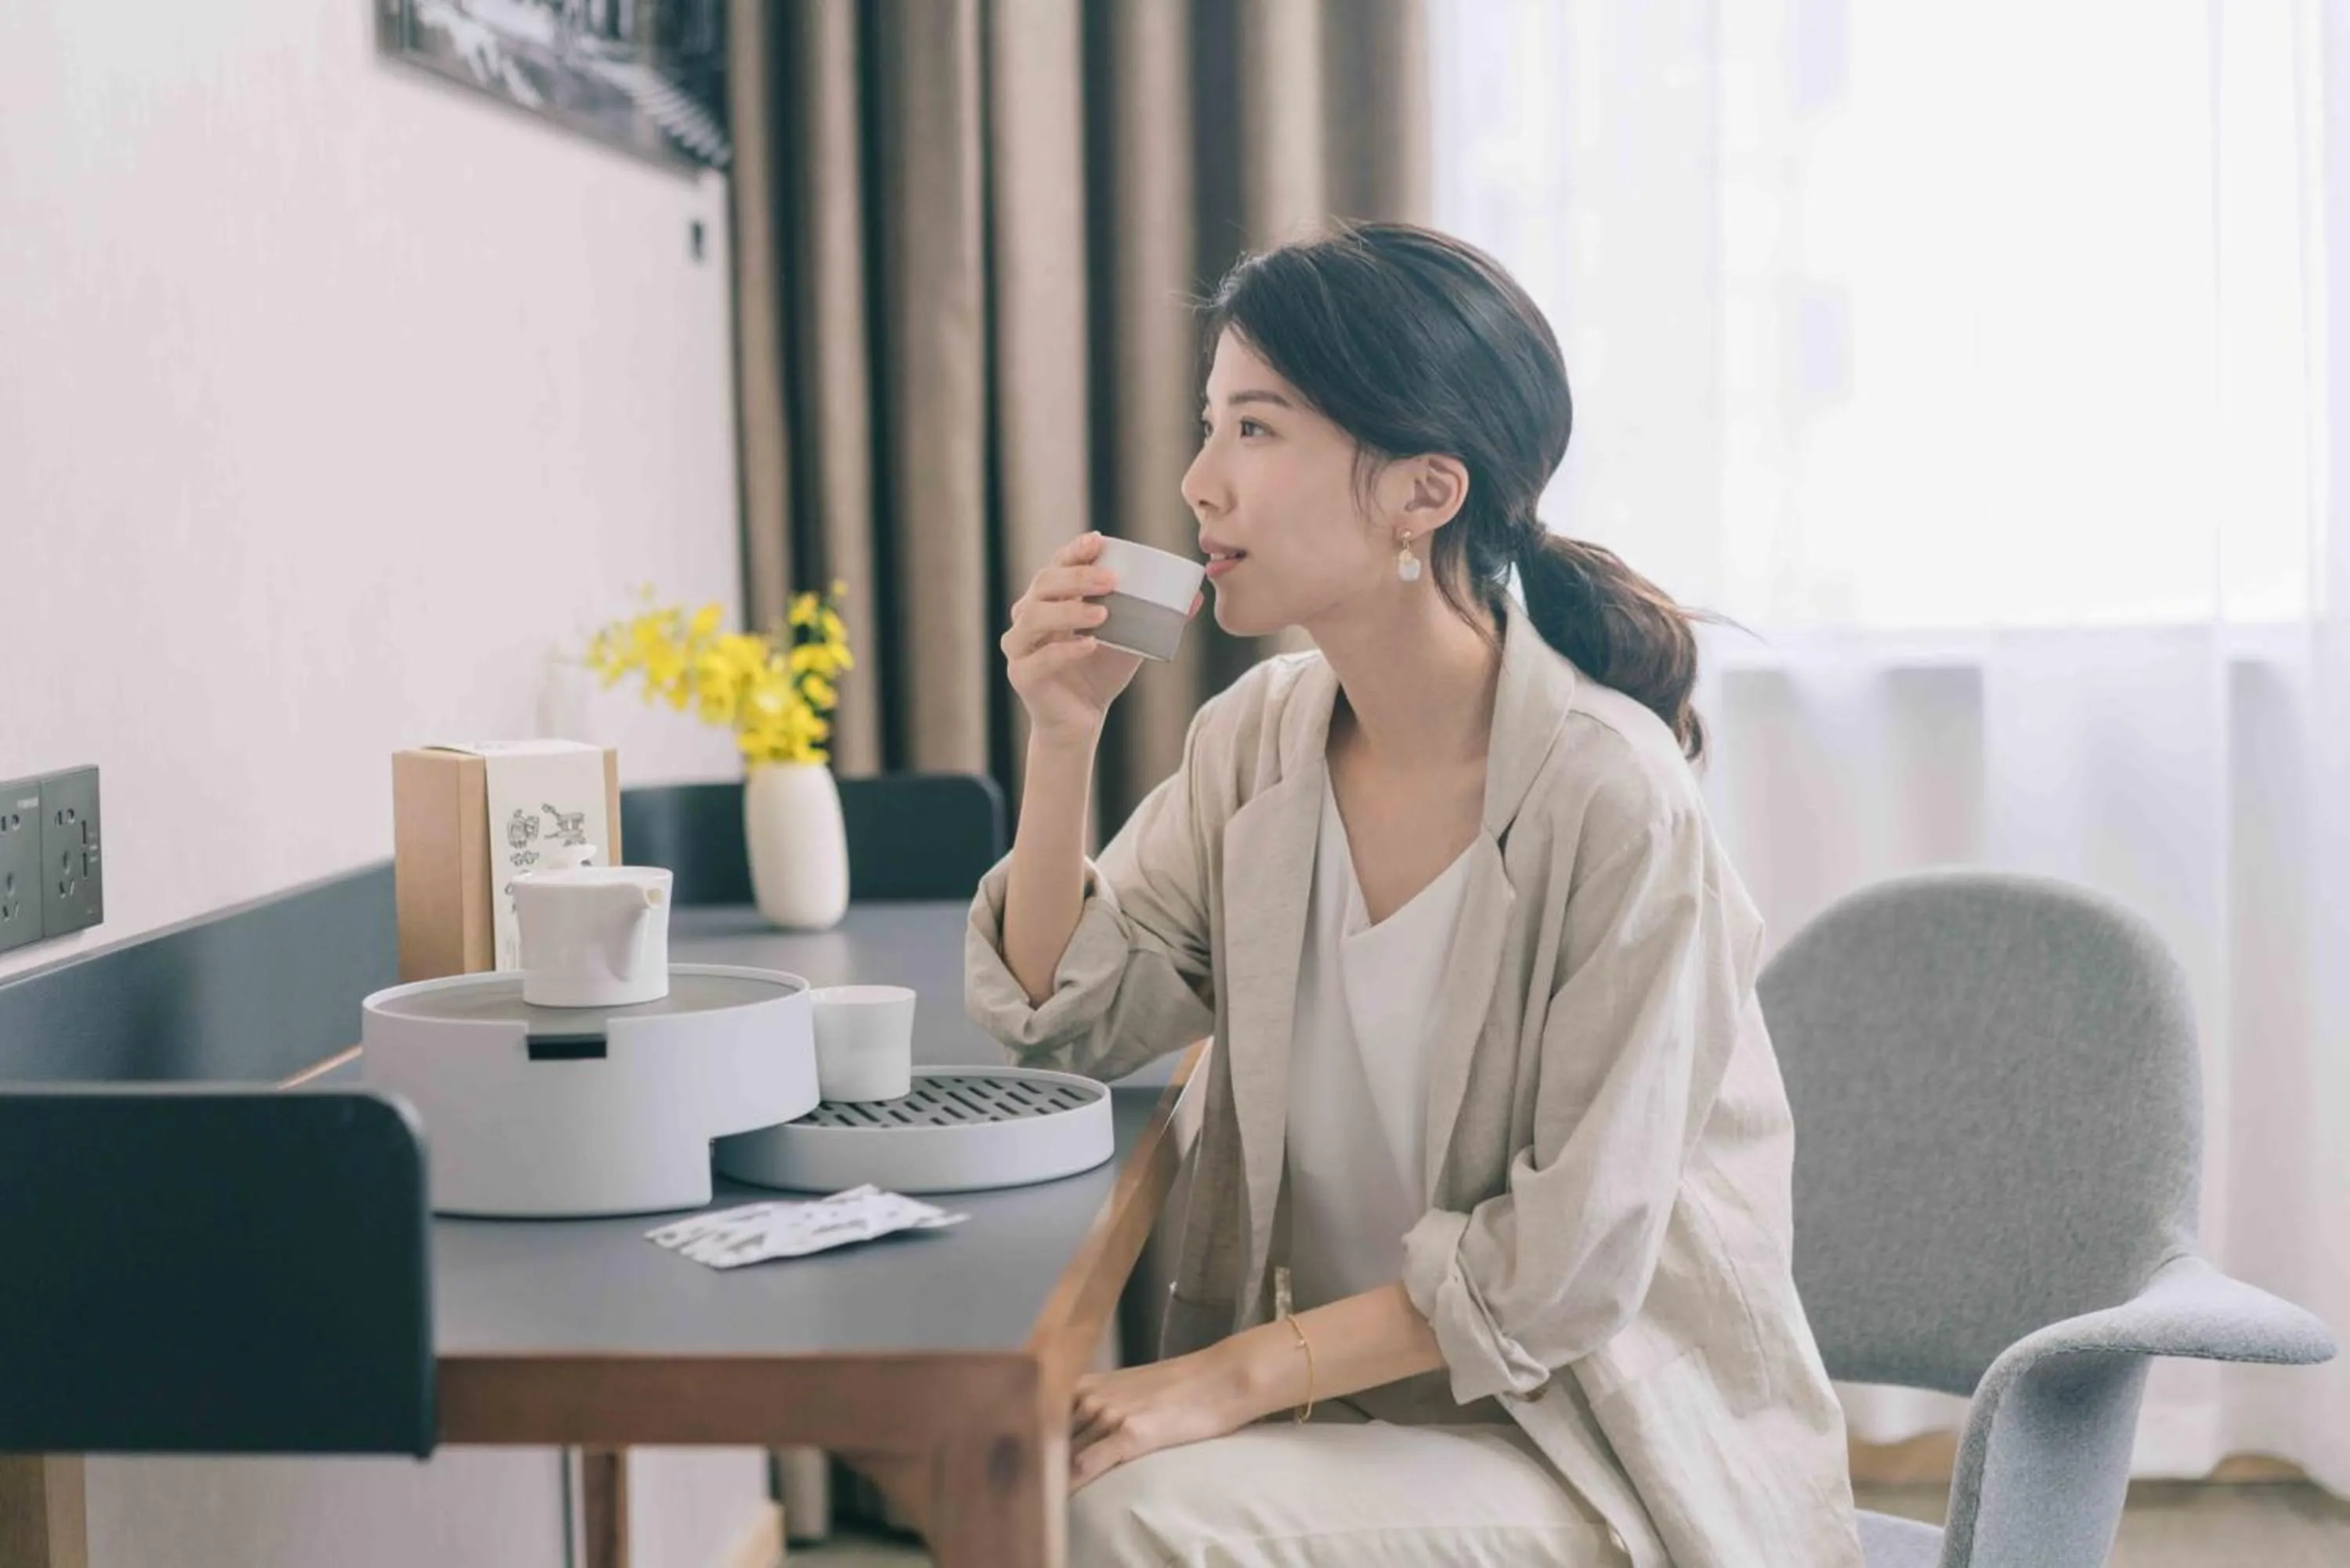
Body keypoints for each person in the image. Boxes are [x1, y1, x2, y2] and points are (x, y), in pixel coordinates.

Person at [963, 220, 1864, 1566]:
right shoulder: (1260, 739)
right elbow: (1065, 1015)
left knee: (1119, 1519)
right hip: (1356, 1417)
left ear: (1423, 491)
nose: (1199, 482)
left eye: (1257, 430)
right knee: (1046, 1491)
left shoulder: (1611, 800)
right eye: (1211, 425)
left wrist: (1215, 1380)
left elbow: (1557, 1272)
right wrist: (1058, 736)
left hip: (1586, 1444)